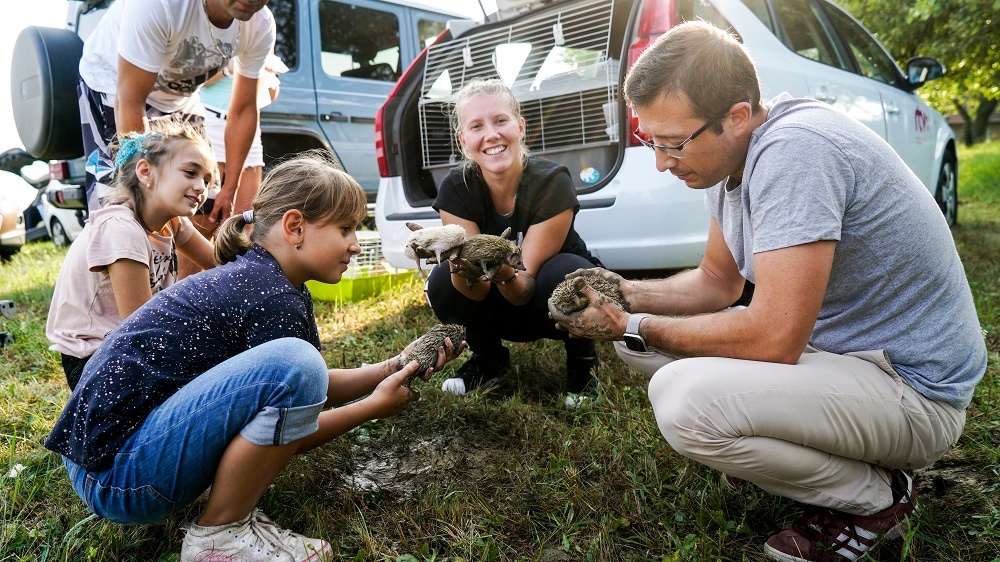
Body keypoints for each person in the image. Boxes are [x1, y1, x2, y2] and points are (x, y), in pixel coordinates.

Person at [548, 21, 987, 561]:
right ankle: (797, 449)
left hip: (915, 393)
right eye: (649, 140)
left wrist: (632, 324)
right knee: (637, 347)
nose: (662, 162)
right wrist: (625, 295)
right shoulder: (732, 158)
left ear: (735, 117)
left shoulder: (795, 153)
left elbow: (775, 336)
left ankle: (876, 496)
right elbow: (716, 282)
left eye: (672, 143)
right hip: (849, 359)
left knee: (683, 400)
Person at [43, 153, 465, 561]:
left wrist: (394, 367)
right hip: (120, 477)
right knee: (299, 364)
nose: (355, 245)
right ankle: (219, 536)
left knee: (299, 367)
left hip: (102, 463)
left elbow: (303, 389)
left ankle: (222, 518)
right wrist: (371, 408)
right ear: (295, 226)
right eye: (346, 229)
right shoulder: (271, 297)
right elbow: (294, 428)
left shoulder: (265, 280)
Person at [425, 78, 603, 407]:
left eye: (501, 121)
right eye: (477, 126)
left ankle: (584, 365)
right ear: (464, 141)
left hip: (541, 301)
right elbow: (475, 290)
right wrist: (460, 264)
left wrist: (501, 267)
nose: (491, 134)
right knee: (441, 281)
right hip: (494, 303)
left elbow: (523, 290)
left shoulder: (553, 183)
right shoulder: (456, 188)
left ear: (520, 127)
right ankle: (488, 359)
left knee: (566, 272)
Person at [45, 118, 217, 390]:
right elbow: (139, 328)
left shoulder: (172, 223)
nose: (201, 187)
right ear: (146, 172)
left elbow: (220, 263)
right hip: (96, 361)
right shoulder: (121, 229)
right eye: (190, 172)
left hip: (128, 347)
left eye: (207, 180)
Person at [77, 0, 275, 230]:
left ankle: (176, 267)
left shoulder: (260, 24)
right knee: (126, 210)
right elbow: (130, 99)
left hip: (179, 98)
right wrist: (146, 186)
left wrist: (230, 187)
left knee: (207, 206)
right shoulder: (161, 4)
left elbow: (244, 110)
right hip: (113, 85)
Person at [179, 51, 288, 279]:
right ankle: (185, 288)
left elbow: (270, 94)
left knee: (245, 221)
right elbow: (194, 78)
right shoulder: (216, 33)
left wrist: (268, 76)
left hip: (247, 125)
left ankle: (232, 290)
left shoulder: (260, 31)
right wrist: (230, 68)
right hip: (210, 122)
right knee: (205, 220)